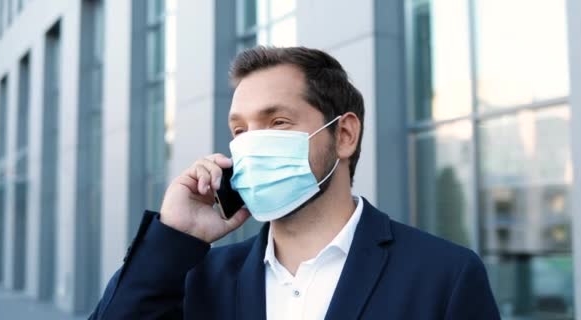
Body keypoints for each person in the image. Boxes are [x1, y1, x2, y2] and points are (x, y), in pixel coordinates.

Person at [90, 46, 500, 319]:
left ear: (344, 135)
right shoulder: (198, 277)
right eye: (240, 131)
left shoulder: (444, 274)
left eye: (278, 122)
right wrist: (174, 236)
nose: (251, 143)